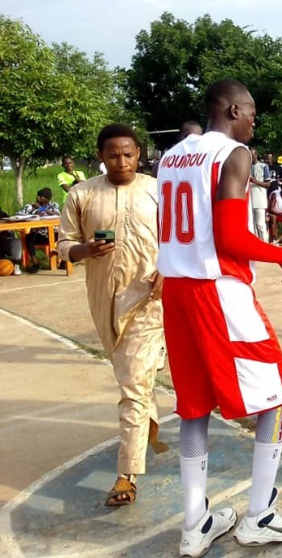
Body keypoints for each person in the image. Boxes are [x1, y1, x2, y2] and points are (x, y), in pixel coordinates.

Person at [156, 80, 282, 553]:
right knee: (277, 393)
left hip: (177, 292)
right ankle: (260, 515)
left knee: (194, 405)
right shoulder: (233, 154)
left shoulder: (171, 156)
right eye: (253, 112)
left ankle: (195, 523)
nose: (254, 121)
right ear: (234, 109)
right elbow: (230, 239)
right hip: (215, 290)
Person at [57, 124, 167, 508]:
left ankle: (127, 474)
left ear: (140, 154)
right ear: (101, 156)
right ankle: (147, 431)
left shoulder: (158, 190)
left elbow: (177, 239)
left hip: (151, 303)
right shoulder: (81, 194)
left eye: (129, 154)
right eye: (113, 155)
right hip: (104, 303)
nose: (122, 162)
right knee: (133, 379)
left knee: (134, 384)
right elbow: (64, 244)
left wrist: (166, 269)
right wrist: (84, 250)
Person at [16, 188, 61, 272]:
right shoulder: (30, 206)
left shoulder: (53, 205)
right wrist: (33, 214)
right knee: (29, 238)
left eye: (41, 196)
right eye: (38, 196)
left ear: (47, 199)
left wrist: (41, 208)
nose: (38, 198)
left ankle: (63, 262)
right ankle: (35, 263)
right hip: (39, 234)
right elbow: (19, 214)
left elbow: (57, 214)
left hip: (53, 234)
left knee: (63, 236)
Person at [249, 148, 271, 242]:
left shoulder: (263, 166)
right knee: (251, 225)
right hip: (249, 199)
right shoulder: (246, 166)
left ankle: (265, 244)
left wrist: (255, 181)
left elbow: (268, 184)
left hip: (259, 199)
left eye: (252, 155)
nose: (250, 157)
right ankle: (255, 245)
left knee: (260, 224)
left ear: (256, 155)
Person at [0, 207, 23, 275]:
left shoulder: (3, 215)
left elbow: (12, 227)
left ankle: (16, 265)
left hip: (5, 240)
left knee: (17, 242)